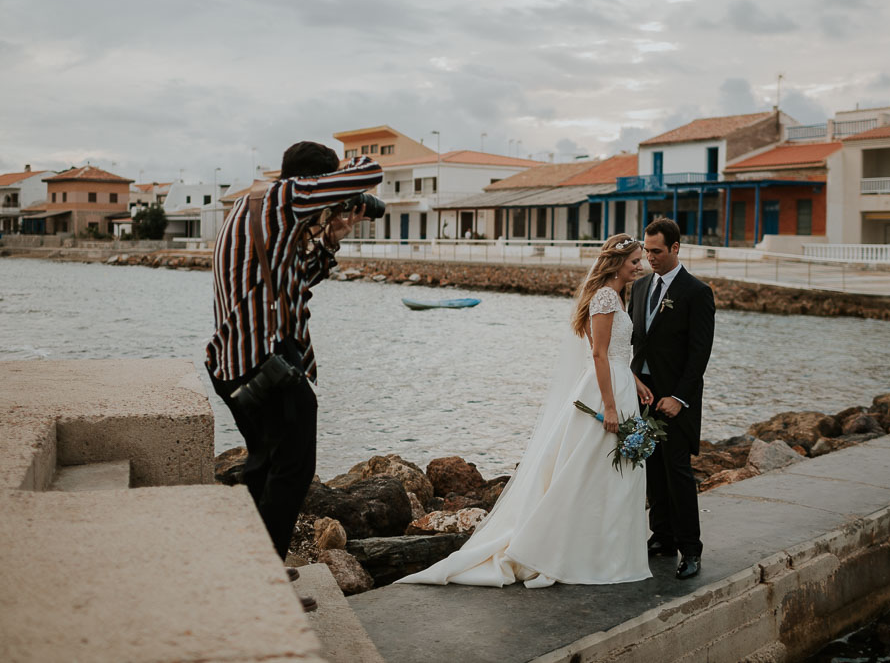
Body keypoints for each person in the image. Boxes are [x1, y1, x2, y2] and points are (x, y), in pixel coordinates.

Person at [398, 234, 655, 588]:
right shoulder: (606, 295)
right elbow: (597, 354)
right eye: (634, 261)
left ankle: (605, 549)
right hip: (603, 393)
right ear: (617, 263)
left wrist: (634, 382)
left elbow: (615, 354)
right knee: (589, 470)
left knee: (610, 472)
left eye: (640, 260)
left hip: (620, 385)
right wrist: (609, 406)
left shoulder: (619, 295)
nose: (640, 267)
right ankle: (575, 550)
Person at [205, 141, 382, 592]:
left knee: (264, 468)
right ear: (311, 183)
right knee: (294, 469)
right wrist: (347, 186)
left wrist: (332, 234)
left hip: (236, 364)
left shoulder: (258, 210)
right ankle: (264, 581)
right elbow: (370, 172)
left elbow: (295, 282)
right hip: (265, 364)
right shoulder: (285, 198)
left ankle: (246, 566)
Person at [629, 218, 715, 579]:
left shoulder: (697, 292)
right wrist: (632, 381)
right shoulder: (640, 287)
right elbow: (636, 341)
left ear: (676, 248)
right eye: (647, 251)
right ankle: (661, 536)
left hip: (677, 396)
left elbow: (700, 353)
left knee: (678, 472)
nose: (650, 258)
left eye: (657, 252)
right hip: (641, 392)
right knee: (651, 468)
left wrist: (678, 397)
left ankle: (690, 549)